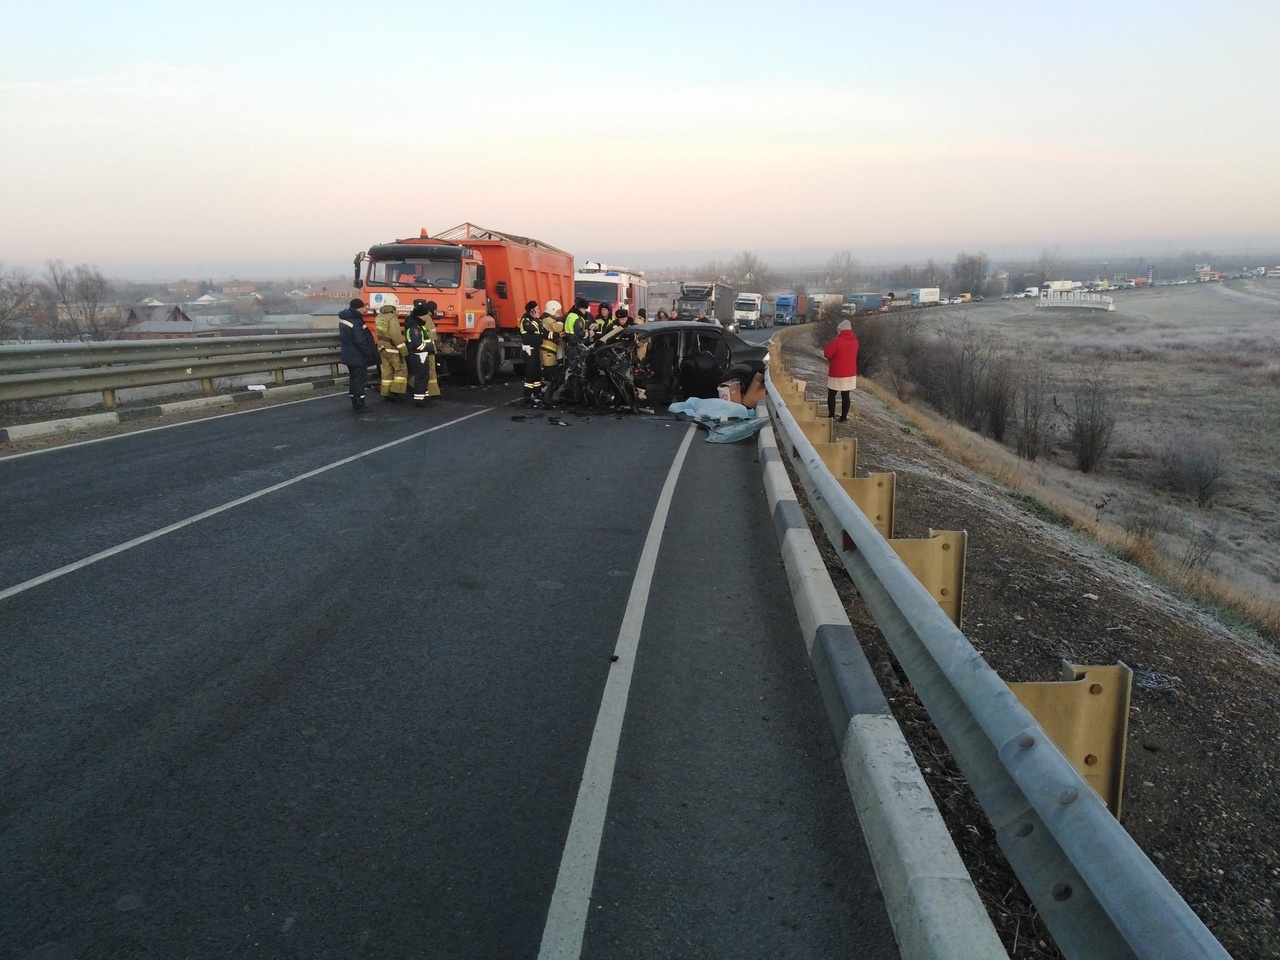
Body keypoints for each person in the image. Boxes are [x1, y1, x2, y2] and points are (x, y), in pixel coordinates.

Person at [338, 298, 377, 414]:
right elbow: (361, 341)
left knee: (353, 380)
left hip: (349, 355)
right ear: (358, 308)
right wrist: (370, 354)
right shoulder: (356, 321)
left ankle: (355, 402)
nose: (364, 310)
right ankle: (360, 404)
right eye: (362, 307)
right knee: (359, 381)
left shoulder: (345, 319)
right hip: (358, 357)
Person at [823, 318, 859, 422]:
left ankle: (831, 416)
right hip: (850, 373)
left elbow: (827, 354)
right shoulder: (855, 342)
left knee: (832, 394)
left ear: (840, 330)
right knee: (846, 395)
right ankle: (844, 417)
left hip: (837, 372)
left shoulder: (837, 341)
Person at [405, 300, 438, 406]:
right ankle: (420, 400)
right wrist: (429, 347)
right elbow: (417, 344)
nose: (426, 317)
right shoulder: (415, 328)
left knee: (424, 377)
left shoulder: (419, 325)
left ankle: (424, 397)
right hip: (420, 355)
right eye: (424, 315)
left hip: (422, 355)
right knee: (420, 378)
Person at [375, 302, 409, 401]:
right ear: (393, 308)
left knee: (386, 371)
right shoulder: (392, 318)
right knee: (401, 369)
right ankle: (395, 391)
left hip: (381, 346)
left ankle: (386, 393)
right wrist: (404, 351)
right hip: (391, 347)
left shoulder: (379, 316)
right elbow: (396, 335)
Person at [518, 299, 545, 405]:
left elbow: (541, 332)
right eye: (537, 309)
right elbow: (532, 329)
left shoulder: (535, 320)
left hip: (536, 348)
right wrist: (536, 319)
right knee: (530, 372)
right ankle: (527, 396)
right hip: (529, 349)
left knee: (537, 372)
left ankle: (537, 394)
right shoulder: (526, 320)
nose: (538, 311)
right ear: (532, 311)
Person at [540, 300, 565, 406]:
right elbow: (559, 328)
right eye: (558, 311)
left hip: (550, 350)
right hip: (548, 350)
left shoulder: (546, 319)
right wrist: (561, 320)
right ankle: (545, 395)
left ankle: (545, 394)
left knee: (549, 373)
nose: (559, 313)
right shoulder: (548, 320)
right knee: (549, 373)